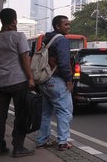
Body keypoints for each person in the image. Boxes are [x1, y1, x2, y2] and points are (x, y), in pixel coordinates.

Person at [0, 8, 35, 157]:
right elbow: (25, 58)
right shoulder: (19, 36)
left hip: (1, 84)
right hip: (18, 82)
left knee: (0, 115)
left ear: (1, 20)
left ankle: (0, 146)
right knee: (20, 114)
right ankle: (18, 147)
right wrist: (30, 78)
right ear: (14, 21)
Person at [35, 15, 73, 151]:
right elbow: (63, 62)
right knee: (64, 111)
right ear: (58, 26)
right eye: (66, 24)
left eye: (69, 24)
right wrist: (69, 79)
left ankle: (41, 140)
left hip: (44, 80)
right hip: (56, 80)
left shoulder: (46, 38)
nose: (69, 27)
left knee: (46, 112)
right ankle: (63, 142)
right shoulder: (61, 40)